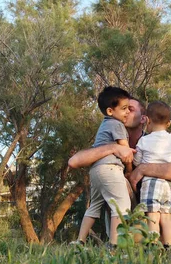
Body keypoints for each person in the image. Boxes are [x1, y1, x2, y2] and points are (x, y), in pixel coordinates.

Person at [68, 98, 171, 235]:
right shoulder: (110, 139)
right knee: (118, 180)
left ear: (144, 119)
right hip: (127, 209)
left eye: (130, 109)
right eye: (123, 108)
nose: (125, 112)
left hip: (152, 202)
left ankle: (166, 238)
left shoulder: (155, 141)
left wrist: (142, 169)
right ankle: (121, 236)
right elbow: (74, 161)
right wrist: (114, 147)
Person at [72, 86, 133, 249]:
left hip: (96, 170)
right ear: (110, 111)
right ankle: (114, 245)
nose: (128, 112)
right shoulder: (117, 124)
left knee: (95, 206)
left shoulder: (105, 124)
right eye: (124, 108)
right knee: (121, 206)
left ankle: (80, 241)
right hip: (110, 168)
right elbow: (126, 152)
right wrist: (129, 170)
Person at [133, 101, 171, 249]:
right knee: (166, 217)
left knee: (152, 216)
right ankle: (169, 247)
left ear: (147, 120)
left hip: (151, 182)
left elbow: (137, 161)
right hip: (168, 183)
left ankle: (153, 246)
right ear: (169, 123)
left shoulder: (144, 140)